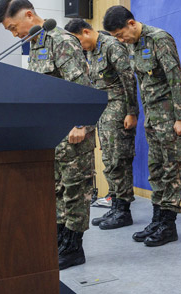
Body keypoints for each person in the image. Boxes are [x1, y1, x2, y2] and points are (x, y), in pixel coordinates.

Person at [0, 0, 95, 269]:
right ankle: (60, 240)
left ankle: (74, 249)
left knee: (75, 190)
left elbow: (82, 86)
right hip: (53, 134)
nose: (15, 34)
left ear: (28, 15)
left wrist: (81, 125)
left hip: (74, 131)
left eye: (14, 28)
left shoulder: (61, 41)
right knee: (58, 190)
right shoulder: (36, 44)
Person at [103, 6, 181, 247]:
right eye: (116, 38)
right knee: (157, 169)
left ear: (132, 23)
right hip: (153, 119)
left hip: (172, 118)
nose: (121, 40)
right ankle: (157, 219)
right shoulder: (133, 45)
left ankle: (168, 225)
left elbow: (175, 78)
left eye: (121, 34)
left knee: (173, 169)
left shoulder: (158, 39)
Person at [64, 18, 138, 230]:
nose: (79, 47)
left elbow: (128, 80)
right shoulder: (92, 50)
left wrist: (132, 112)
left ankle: (123, 211)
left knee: (118, 158)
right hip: (103, 109)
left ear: (86, 32)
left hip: (118, 109)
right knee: (109, 158)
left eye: (79, 41)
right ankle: (115, 206)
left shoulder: (111, 46)